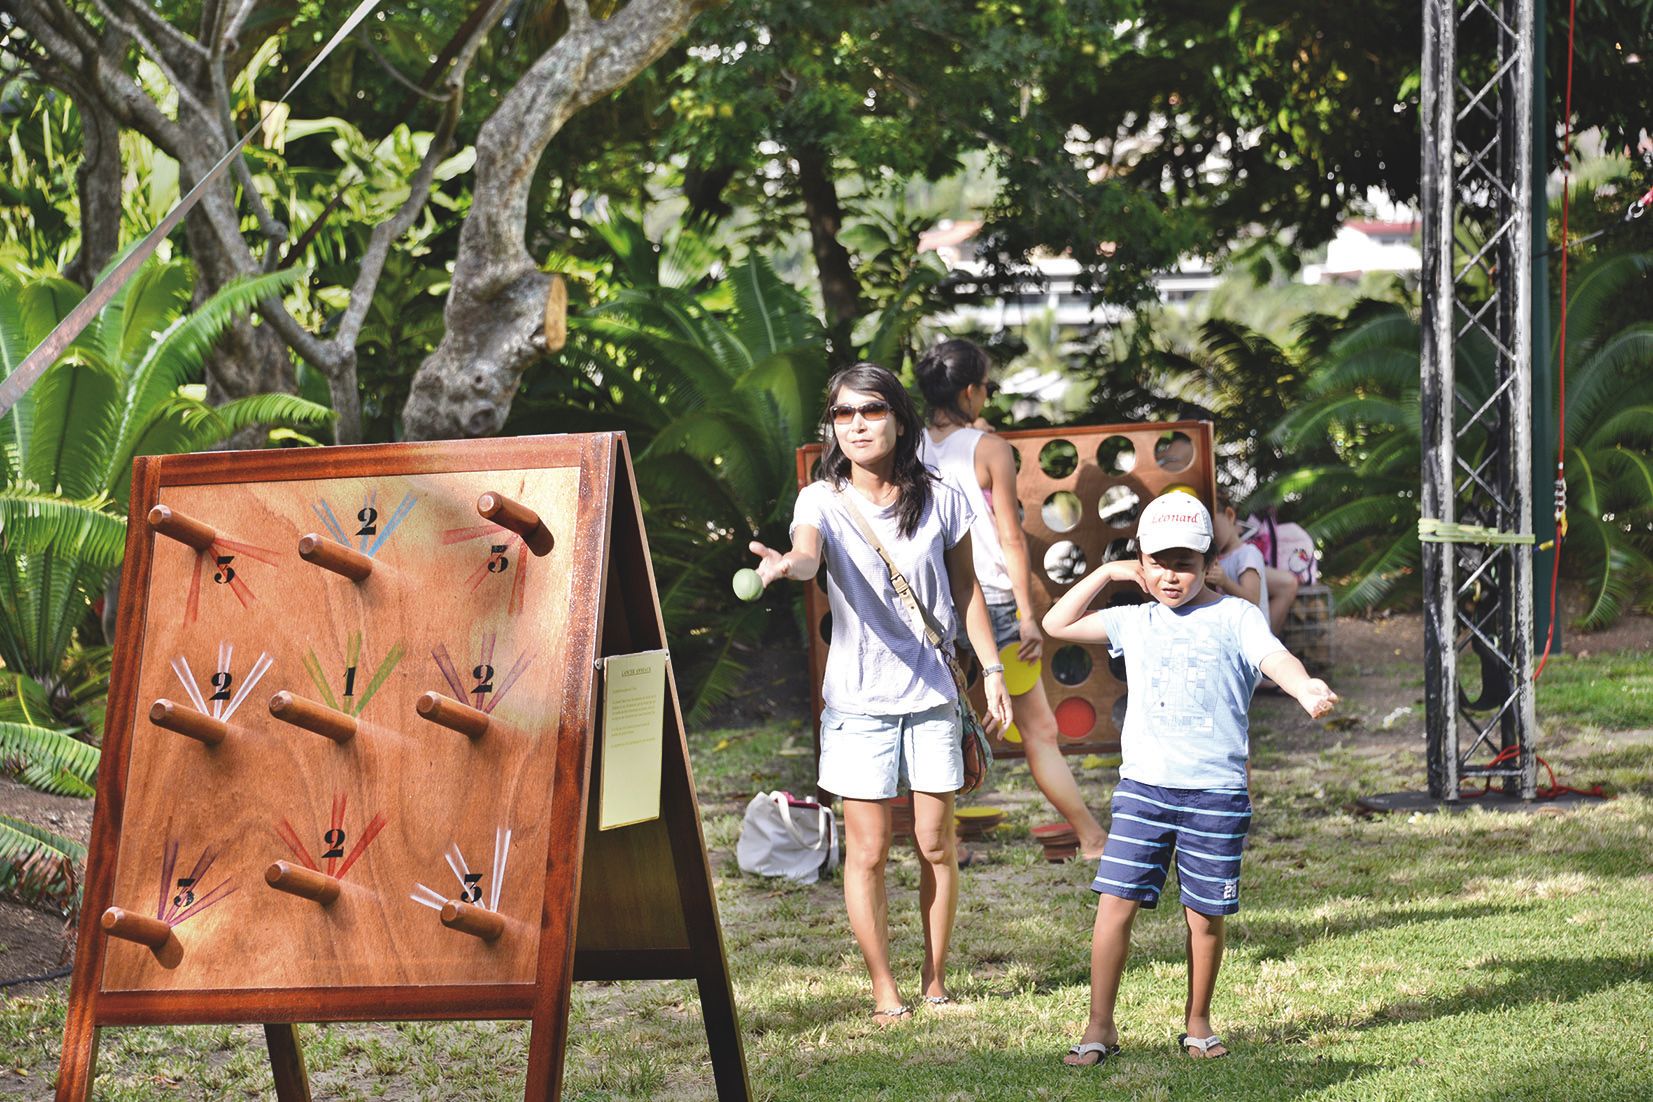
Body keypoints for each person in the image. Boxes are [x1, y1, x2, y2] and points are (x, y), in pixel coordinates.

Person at [746, 362, 1013, 1024]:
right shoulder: (821, 500)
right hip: (858, 702)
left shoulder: (943, 497)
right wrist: (788, 566)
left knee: (933, 842)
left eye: (871, 411)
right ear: (831, 427)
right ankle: (882, 987)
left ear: (898, 419)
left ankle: (934, 978)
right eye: (843, 414)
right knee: (865, 851)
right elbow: (808, 556)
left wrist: (994, 671)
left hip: (931, 695)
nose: (857, 424)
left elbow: (965, 591)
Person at [1042, 491, 1336, 1066]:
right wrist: (1107, 571)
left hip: (1215, 794)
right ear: (1141, 562)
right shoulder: (1134, 620)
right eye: (1158, 562)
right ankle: (1100, 1026)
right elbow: (1056, 622)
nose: (1171, 576)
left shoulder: (1236, 615)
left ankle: (1197, 1021)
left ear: (1207, 562)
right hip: (1143, 792)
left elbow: (1276, 658)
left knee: (1205, 919)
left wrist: (1303, 687)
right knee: (1114, 910)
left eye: (1184, 562)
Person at [914, 339, 1109, 859]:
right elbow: (1011, 537)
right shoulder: (990, 450)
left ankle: (943, 842)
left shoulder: (906, 443)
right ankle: (1092, 838)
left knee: (940, 726)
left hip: (929, 602)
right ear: (972, 391)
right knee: (1039, 729)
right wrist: (1029, 616)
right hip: (993, 600)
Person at [1204, 490, 1299, 635]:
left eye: (1212, 526)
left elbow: (1252, 599)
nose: (1209, 534)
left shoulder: (1248, 554)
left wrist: (1224, 582)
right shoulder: (1220, 557)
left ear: (1230, 515)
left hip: (1253, 635)